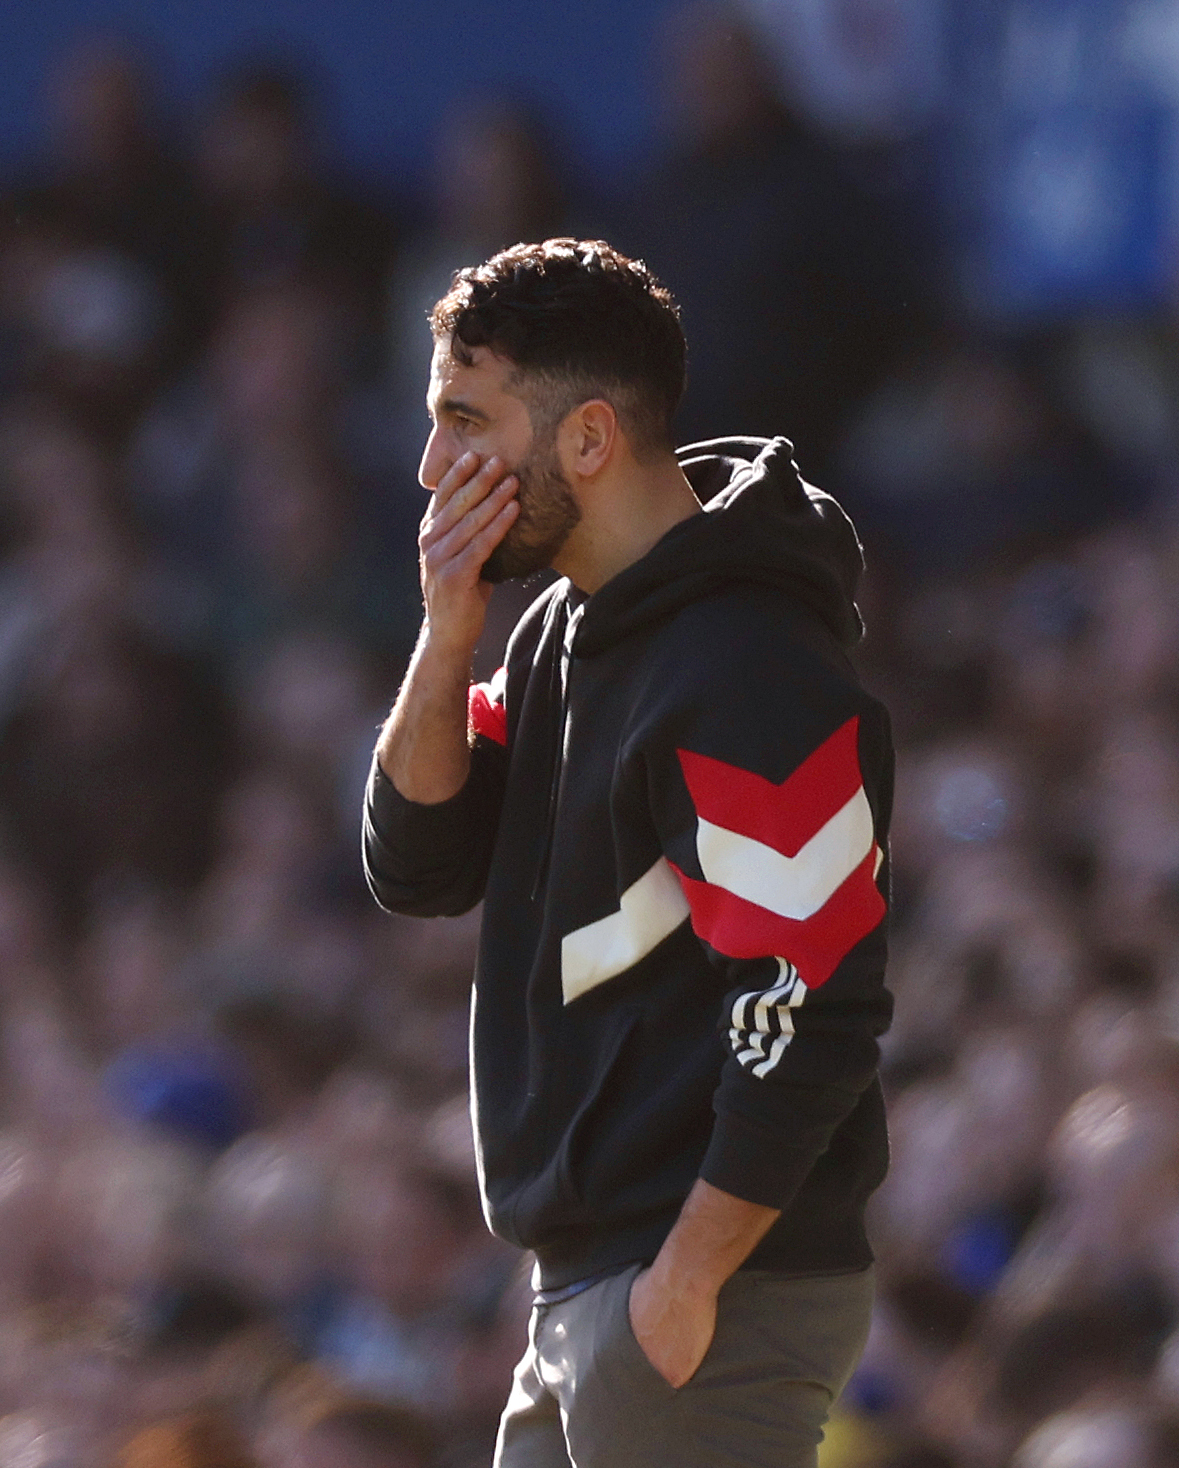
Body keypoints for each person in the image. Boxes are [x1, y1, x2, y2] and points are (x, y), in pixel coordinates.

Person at [360, 238, 894, 1466]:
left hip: (699, 1293)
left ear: (589, 439)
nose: (434, 466)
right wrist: (448, 642)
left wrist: (683, 1282)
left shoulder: (744, 663)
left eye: (464, 419)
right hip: (594, 1290)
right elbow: (419, 862)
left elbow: (814, 998)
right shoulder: (558, 630)